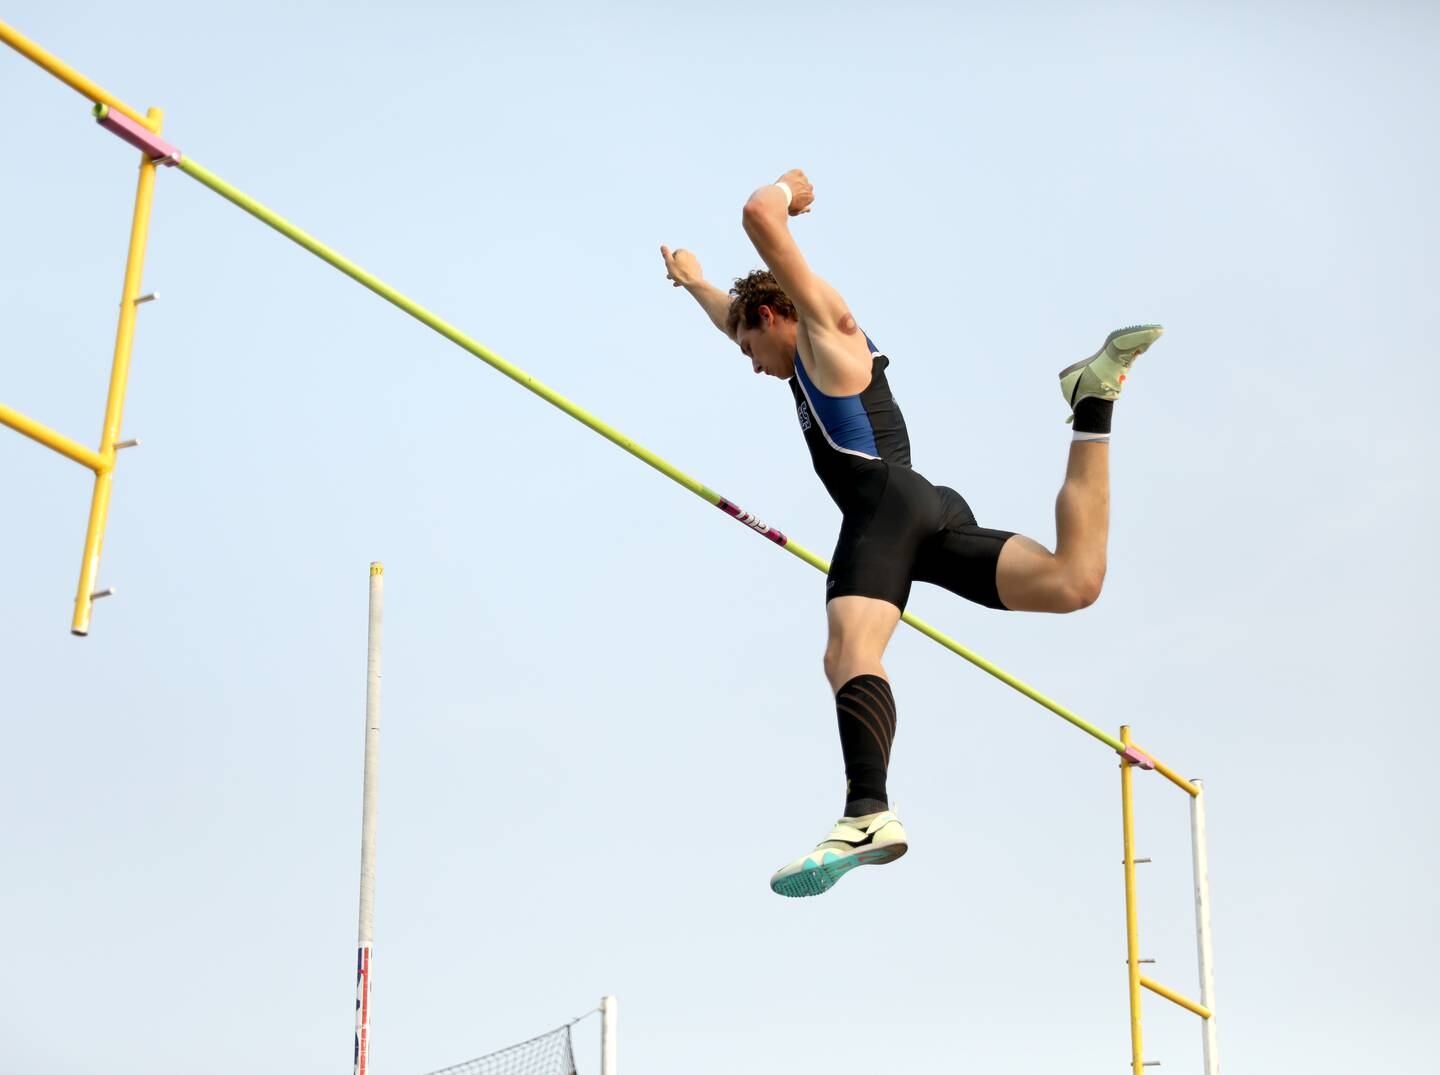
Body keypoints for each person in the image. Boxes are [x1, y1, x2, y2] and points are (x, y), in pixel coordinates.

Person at [661, 169, 1162, 898]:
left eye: (747, 349)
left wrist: (785, 195)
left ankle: (866, 812)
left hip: (884, 506)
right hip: (926, 510)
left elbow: (758, 215)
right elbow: (732, 312)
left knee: (848, 651)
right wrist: (696, 283)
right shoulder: (796, 351)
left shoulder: (828, 334)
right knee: (1073, 580)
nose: (751, 368)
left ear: (773, 317)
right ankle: (1093, 402)